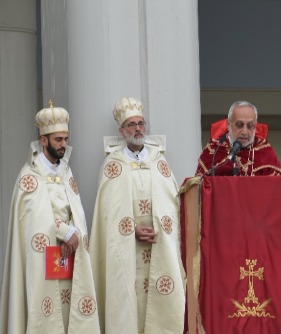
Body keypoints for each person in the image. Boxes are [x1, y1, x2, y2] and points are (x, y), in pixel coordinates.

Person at [0, 102, 101, 333]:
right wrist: (64, 231)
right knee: (46, 312)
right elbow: (34, 216)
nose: (64, 144)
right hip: (43, 256)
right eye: (58, 140)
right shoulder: (29, 176)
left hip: (69, 254)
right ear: (43, 140)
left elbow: (76, 210)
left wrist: (74, 232)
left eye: (65, 139)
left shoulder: (66, 171)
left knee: (69, 312)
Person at [89, 97, 185, 333]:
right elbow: (107, 215)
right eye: (132, 125)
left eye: (141, 123)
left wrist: (160, 227)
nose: (138, 129)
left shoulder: (159, 162)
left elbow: (172, 205)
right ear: (122, 131)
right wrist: (131, 231)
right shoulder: (113, 164)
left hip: (157, 247)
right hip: (128, 251)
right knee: (129, 306)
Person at [194, 100, 281, 176]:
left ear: (255, 127)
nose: (244, 132)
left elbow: (277, 189)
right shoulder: (213, 151)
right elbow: (199, 188)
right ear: (229, 125)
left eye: (250, 126)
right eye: (239, 125)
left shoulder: (265, 153)